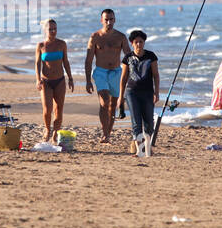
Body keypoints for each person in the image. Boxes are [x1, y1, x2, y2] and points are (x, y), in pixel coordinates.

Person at [84, 9, 129, 143]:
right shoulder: (95, 37)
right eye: (106, 20)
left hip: (116, 72)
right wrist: (88, 81)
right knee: (104, 101)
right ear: (101, 20)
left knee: (113, 104)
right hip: (101, 72)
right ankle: (105, 133)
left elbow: (128, 56)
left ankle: (108, 134)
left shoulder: (121, 37)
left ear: (115, 20)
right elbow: (88, 60)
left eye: (111, 19)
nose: (109, 22)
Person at [119, 29, 160, 156]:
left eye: (141, 42)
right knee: (136, 122)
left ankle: (147, 149)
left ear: (144, 42)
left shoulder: (150, 56)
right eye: (136, 42)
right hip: (132, 93)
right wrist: (121, 97)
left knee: (148, 122)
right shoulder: (128, 58)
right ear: (132, 43)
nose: (138, 44)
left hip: (148, 92)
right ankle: (139, 150)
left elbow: (156, 75)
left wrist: (156, 92)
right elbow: (124, 78)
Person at [35, 19, 74, 143]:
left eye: (55, 29)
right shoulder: (41, 46)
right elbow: (37, 63)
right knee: (47, 109)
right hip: (46, 81)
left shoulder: (62, 44)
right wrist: (38, 79)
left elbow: (66, 62)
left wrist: (70, 78)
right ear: (45, 30)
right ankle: (47, 129)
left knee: (59, 109)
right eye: (50, 29)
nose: (53, 31)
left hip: (60, 81)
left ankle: (55, 134)